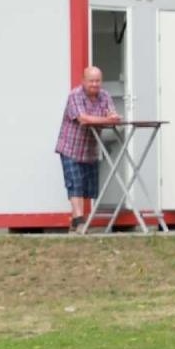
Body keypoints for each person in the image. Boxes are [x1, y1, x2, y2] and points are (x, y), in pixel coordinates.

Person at [53, 66, 121, 230]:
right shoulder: (75, 95)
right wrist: (106, 119)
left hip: (89, 149)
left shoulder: (104, 96)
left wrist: (111, 117)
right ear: (83, 81)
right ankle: (79, 221)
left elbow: (112, 115)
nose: (95, 84)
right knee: (74, 183)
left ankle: (75, 222)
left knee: (86, 187)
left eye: (98, 81)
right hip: (70, 147)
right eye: (91, 81)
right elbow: (83, 119)